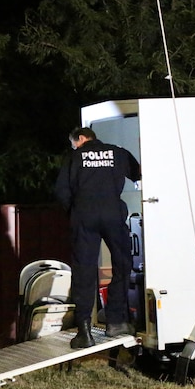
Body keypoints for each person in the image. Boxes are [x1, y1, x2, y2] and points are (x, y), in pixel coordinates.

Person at [54, 127, 141, 349]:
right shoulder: (118, 152)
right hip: (113, 214)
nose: (74, 147)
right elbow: (138, 173)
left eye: (74, 143)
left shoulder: (74, 157)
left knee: (84, 270)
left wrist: (74, 212)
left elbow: (61, 190)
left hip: (84, 216)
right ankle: (116, 321)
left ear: (81, 139)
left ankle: (84, 332)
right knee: (123, 264)